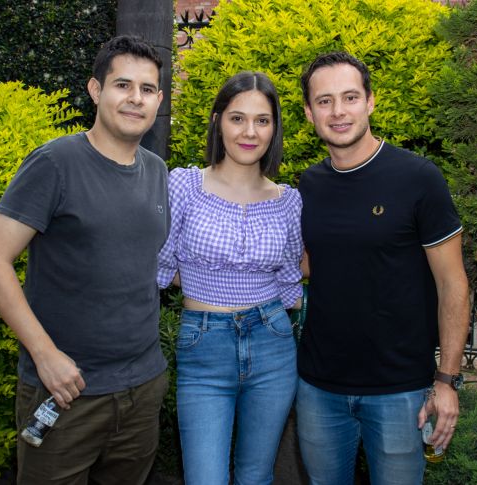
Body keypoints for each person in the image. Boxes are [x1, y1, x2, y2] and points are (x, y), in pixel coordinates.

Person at [0, 35, 170, 485]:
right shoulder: (55, 164)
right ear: (96, 90)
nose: (134, 99)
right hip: (65, 391)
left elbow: (139, 263)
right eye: (122, 85)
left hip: (142, 389)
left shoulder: (156, 171)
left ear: (158, 99)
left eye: (146, 89)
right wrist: (45, 356)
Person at [295, 51, 471, 485]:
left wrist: (446, 380)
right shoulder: (308, 185)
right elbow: (304, 268)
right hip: (318, 387)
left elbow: (454, 285)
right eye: (325, 101)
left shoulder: (419, 178)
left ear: (371, 102)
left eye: (350, 97)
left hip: (401, 392)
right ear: (308, 112)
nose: (338, 112)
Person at [157, 71, 303, 485]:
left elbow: (290, 285)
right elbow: (158, 268)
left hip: (272, 344)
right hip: (204, 346)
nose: (249, 132)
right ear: (219, 121)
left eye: (262, 120)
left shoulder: (288, 202)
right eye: (237, 118)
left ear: (274, 129)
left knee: (256, 476)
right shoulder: (184, 185)